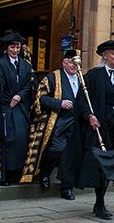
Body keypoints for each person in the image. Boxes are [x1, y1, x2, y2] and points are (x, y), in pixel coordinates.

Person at [73, 40, 114, 219]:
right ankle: (99, 202)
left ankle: (101, 201)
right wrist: (89, 115)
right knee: (99, 164)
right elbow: (82, 99)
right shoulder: (93, 75)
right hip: (98, 127)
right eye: (113, 53)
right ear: (104, 55)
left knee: (111, 162)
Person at [23, 49, 82, 199]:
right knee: (57, 150)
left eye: (77, 62)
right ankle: (44, 173)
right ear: (64, 63)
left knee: (72, 155)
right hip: (58, 122)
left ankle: (67, 188)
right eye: (71, 62)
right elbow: (40, 98)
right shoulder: (52, 78)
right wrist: (59, 103)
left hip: (76, 124)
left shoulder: (82, 78)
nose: (74, 65)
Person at [0, 31, 35, 185]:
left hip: (19, 107)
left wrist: (20, 95)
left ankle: (17, 172)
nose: (15, 50)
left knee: (21, 139)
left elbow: (30, 84)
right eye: (12, 47)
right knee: (6, 140)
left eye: (18, 47)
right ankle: (2, 176)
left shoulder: (25, 65)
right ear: (6, 48)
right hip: (4, 107)